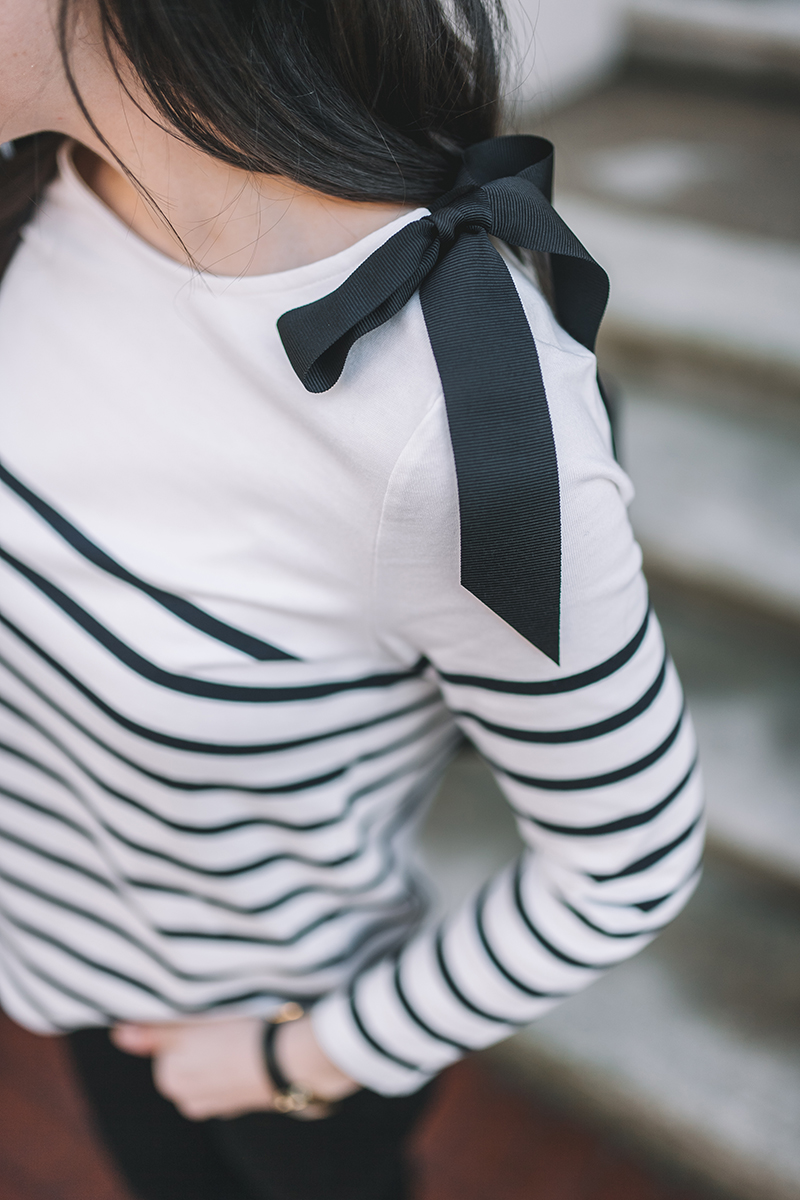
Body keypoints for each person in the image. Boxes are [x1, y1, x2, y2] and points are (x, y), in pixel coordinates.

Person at [0, 1, 704, 1198]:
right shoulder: (47, 197)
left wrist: (303, 1055)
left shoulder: (451, 420)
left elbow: (627, 858)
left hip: (270, 1054)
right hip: (76, 978)